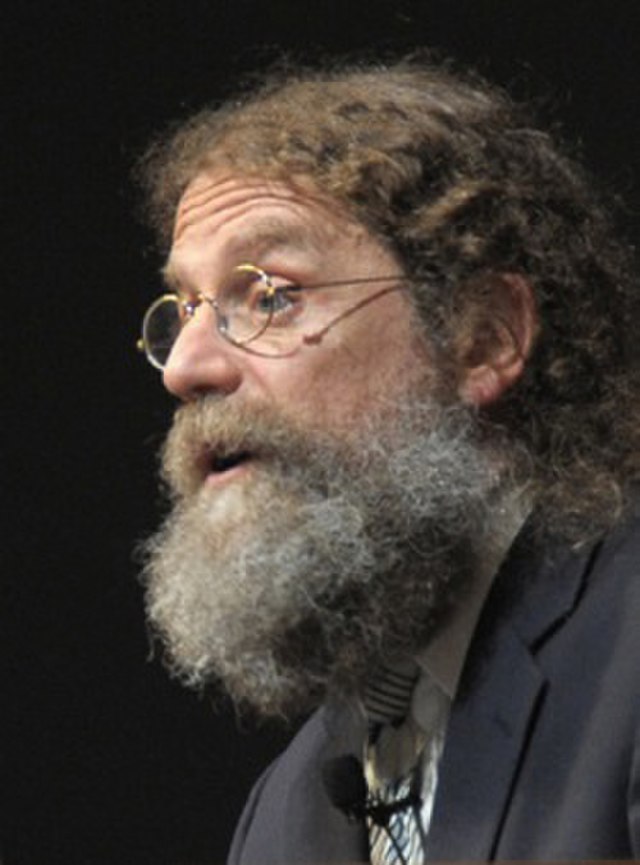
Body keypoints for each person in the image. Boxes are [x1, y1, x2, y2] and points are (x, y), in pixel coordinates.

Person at [135, 56, 640, 862]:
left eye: (269, 294)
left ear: (483, 337)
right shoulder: (286, 812)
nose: (184, 367)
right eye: (185, 308)